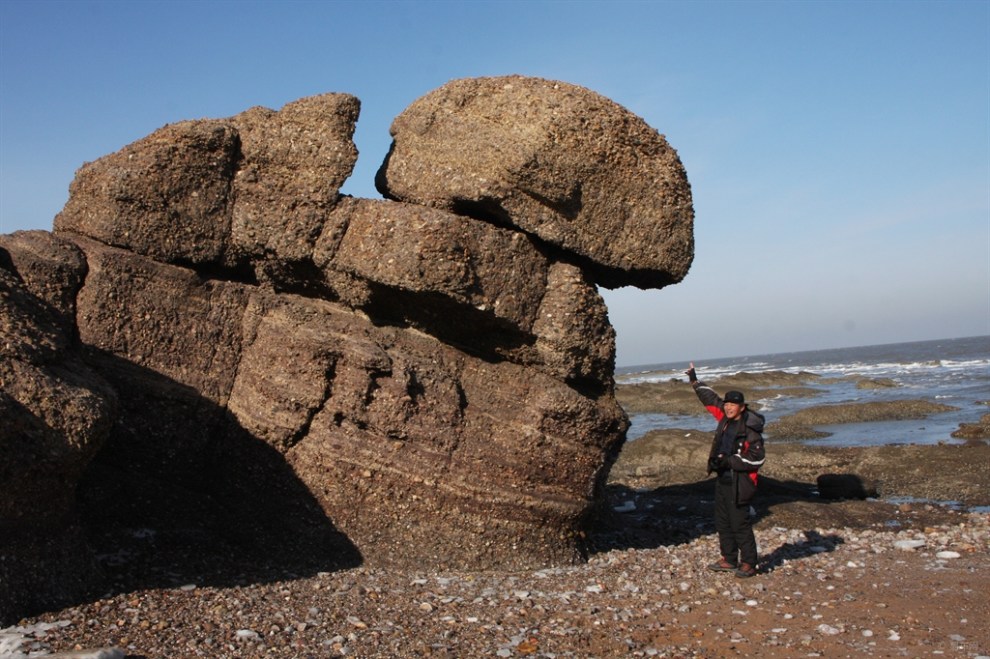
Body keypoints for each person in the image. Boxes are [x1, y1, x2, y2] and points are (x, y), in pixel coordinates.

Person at [686, 363, 766, 578]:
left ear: (742, 407)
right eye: (727, 404)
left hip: (741, 482)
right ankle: (729, 559)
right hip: (723, 479)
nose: (729, 407)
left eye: (733, 405)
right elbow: (709, 398)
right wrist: (694, 379)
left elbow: (757, 459)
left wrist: (729, 462)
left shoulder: (751, 430)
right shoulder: (723, 418)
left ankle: (749, 562)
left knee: (739, 522)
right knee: (722, 521)